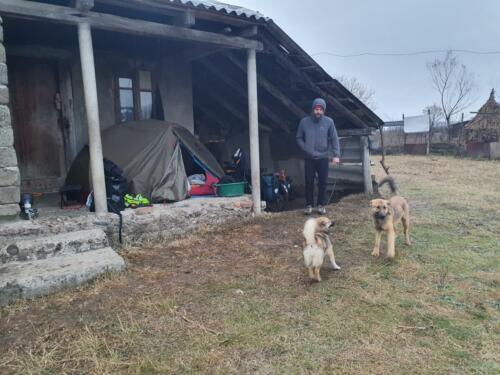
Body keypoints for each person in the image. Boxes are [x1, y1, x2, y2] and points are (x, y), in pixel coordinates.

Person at [296, 98, 340, 215]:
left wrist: (336, 155)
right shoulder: (304, 122)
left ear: (324, 110)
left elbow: (334, 138)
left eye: (320, 109)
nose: (318, 112)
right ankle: (309, 205)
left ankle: (321, 205)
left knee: (323, 182)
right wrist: (305, 148)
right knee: (309, 182)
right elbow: (299, 138)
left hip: (323, 157)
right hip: (309, 157)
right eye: (316, 109)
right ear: (313, 109)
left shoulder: (329, 122)